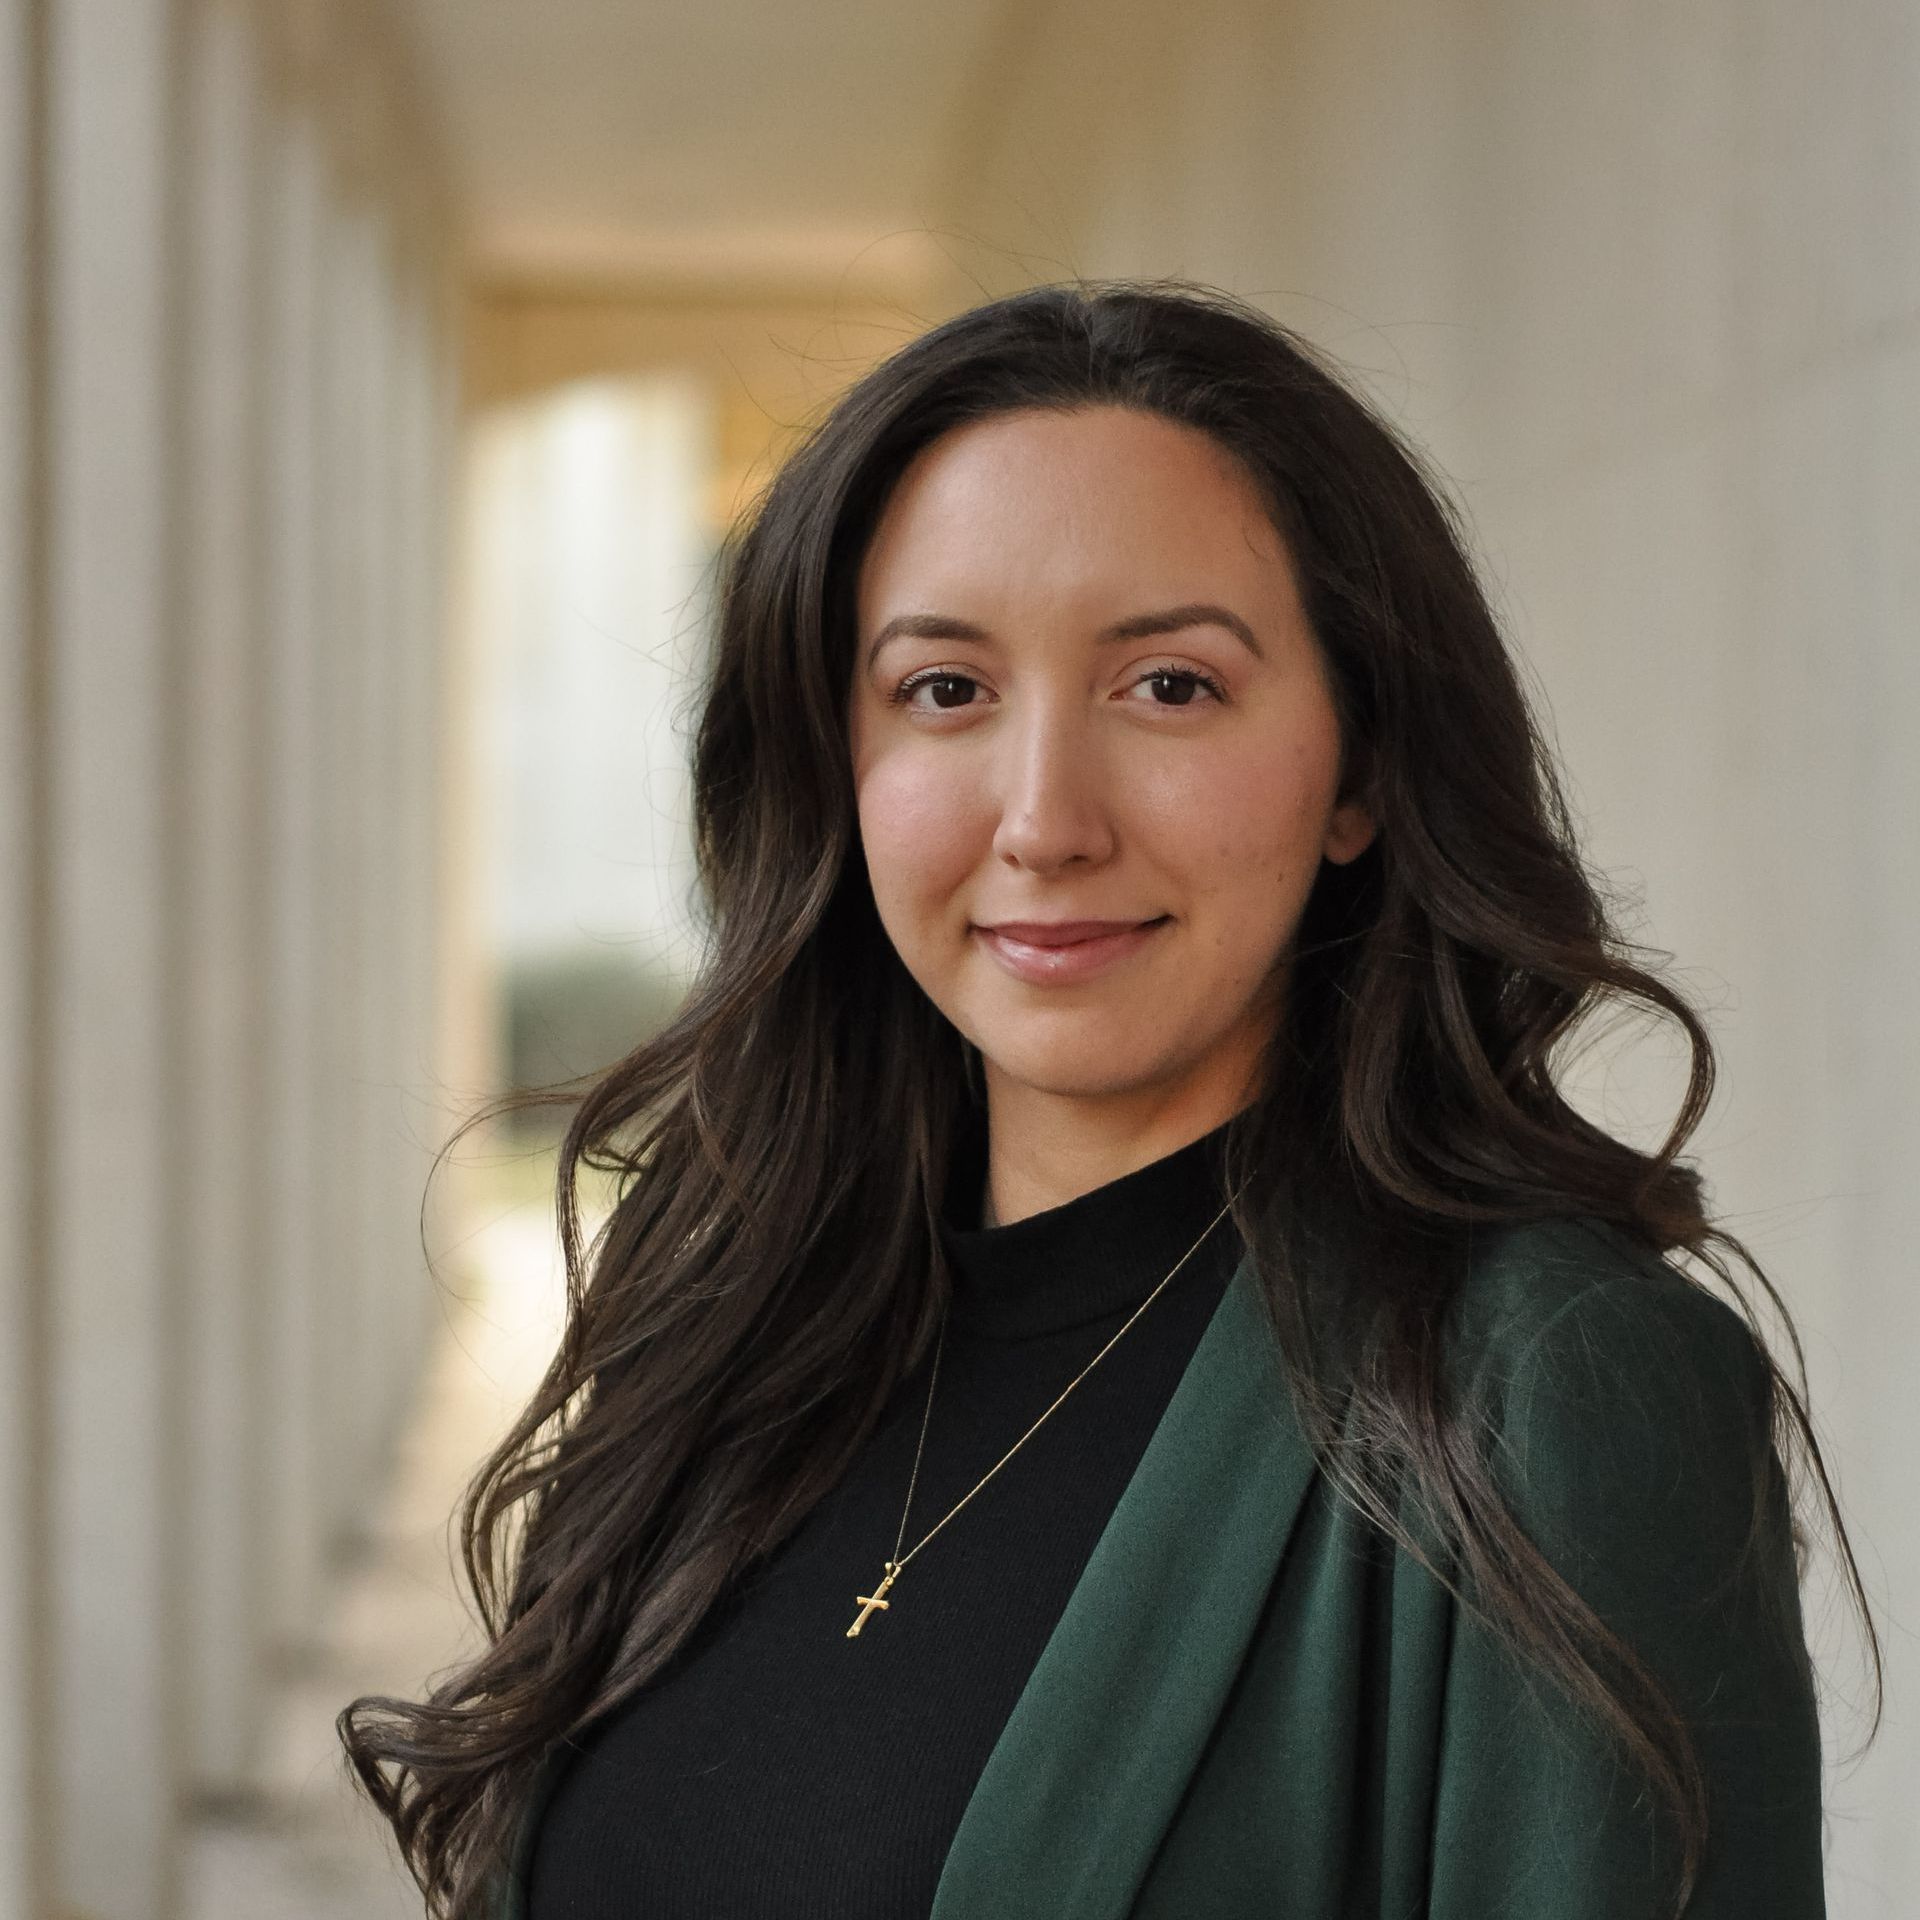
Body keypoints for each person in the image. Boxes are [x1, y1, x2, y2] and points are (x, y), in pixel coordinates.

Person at [340, 280, 1878, 1920]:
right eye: (946, 690)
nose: (1045, 820)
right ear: (836, 764)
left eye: (1170, 686)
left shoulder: (1550, 1389)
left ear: (1359, 769)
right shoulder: (733, 1323)